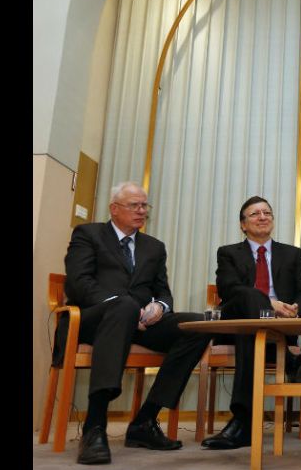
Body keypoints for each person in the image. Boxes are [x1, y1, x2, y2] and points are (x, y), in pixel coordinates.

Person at [53, 181, 212, 465]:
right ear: (114, 209)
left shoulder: (154, 247)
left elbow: (163, 291)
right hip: (91, 318)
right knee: (124, 305)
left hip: (139, 322)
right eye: (135, 205)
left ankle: (145, 420)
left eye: (145, 206)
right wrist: (122, 306)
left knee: (198, 325)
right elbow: (79, 284)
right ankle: (94, 426)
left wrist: (158, 307)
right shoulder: (88, 234)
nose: (142, 211)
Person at [201, 196, 301, 450]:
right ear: (243, 224)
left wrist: (295, 309)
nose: (262, 217)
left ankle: (242, 420)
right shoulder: (228, 252)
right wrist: (271, 303)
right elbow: (228, 289)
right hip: (235, 322)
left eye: (267, 213)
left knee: (251, 330)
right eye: (255, 214)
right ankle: (292, 360)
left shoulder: (291, 253)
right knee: (248, 298)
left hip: (278, 326)